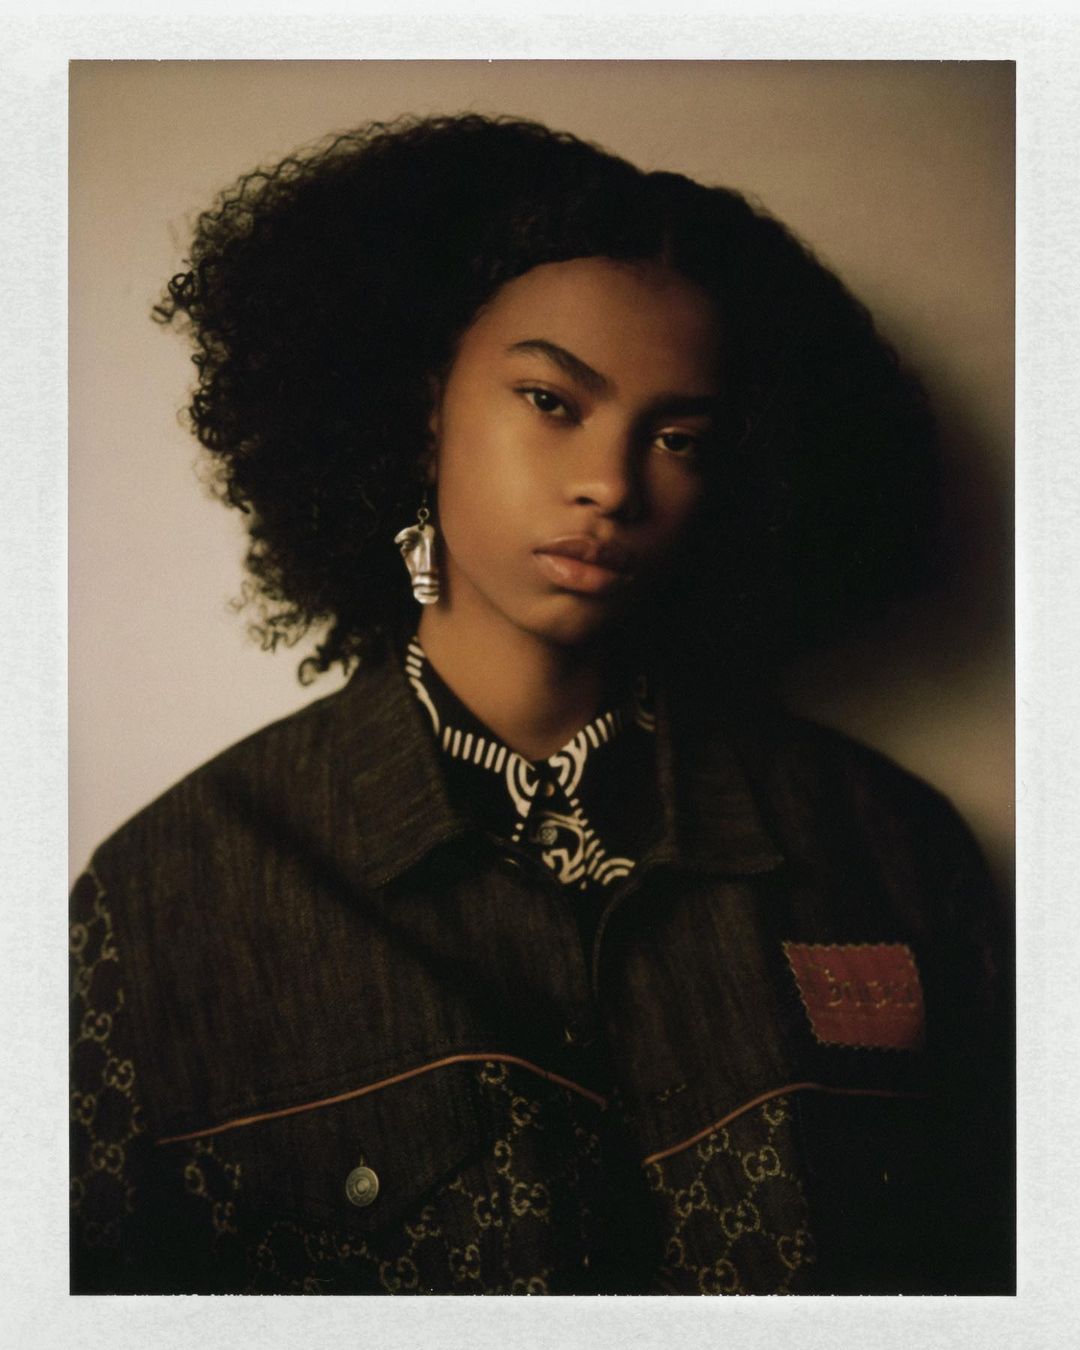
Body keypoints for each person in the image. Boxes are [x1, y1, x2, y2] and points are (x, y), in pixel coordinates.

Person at [69, 113, 1012, 1295]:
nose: (609, 484)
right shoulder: (164, 906)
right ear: (425, 405)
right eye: (551, 400)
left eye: (678, 438)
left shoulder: (889, 852)